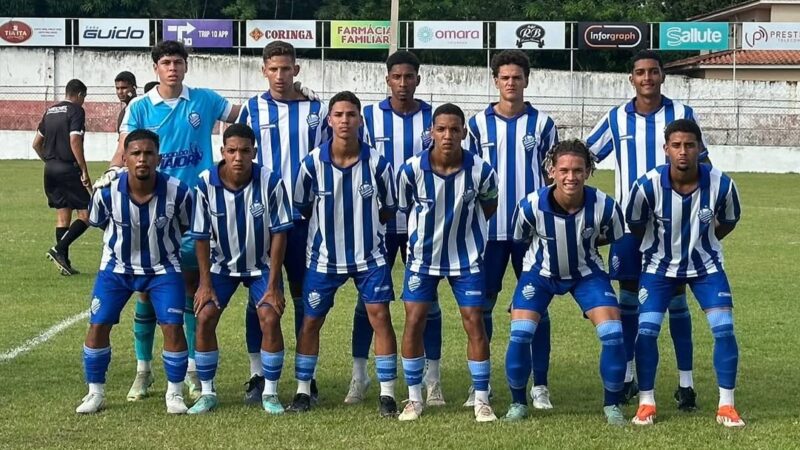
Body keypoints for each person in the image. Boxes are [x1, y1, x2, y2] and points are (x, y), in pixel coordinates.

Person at [94, 40, 241, 402]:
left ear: (186, 67)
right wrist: (114, 170)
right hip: (151, 209)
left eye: (177, 62)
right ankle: (143, 371)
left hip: (193, 209)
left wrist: (296, 92)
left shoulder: (204, 100)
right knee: (144, 292)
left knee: (188, 291)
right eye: (165, 62)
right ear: (156, 68)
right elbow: (127, 145)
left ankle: (190, 370)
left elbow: (244, 113)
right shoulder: (140, 106)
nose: (172, 68)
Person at [586, 50, 708, 408]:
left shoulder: (682, 114)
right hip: (629, 227)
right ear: (632, 78)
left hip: (674, 228)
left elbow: (702, 162)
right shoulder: (616, 118)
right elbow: (586, 156)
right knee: (628, 300)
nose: (647, 78)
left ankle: (686, 385)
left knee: (676, 301)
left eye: (653, 72)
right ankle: (626, 377)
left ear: (662, 76)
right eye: (640, 73)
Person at [286, 91, 399, 417]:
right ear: (330, 120)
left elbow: (388, 210)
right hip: (323, 258)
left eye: (351, 114)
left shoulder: (378, 163)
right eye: (338, 115)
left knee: (381, 318)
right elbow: (303, 208)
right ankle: (303, 391)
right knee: (311, 322)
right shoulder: (311, 164)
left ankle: (387, 394)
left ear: (360, 120)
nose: (345, 120)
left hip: (369, 257)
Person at [627, 119, 743, 427]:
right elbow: (636, 225)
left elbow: (729, 220)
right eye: (676, 145)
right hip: (658, 269)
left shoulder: (723, 184)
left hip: (706, 267)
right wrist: (659, 249)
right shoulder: (646, 185)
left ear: (700, 148)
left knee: (724, 328)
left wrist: (703, 242)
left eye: (690, 145)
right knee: (648, 330)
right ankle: (647, 402)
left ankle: (727, 405)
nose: (683, 152)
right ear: (666, 149)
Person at [502, 139, 627, 425]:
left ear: (588, 172)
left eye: (578, 170)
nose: (571, 177)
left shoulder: (605, 205)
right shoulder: (530, 206)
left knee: (613, 333)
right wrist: (523, 287)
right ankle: (518, 403)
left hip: (587, 274)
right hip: (540, 274)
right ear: (552, 172)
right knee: (521, 332)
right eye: (564, 170)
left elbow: (616, 237)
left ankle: (612, 406)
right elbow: (520, 242)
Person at [349, 50, 443, 406]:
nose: (403, 83)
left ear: (418, 79)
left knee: (427, 302)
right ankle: (360, 375)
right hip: (380, 222)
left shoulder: (435, 119)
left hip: (425, 225)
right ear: (386, 79)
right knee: (367, 302)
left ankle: (432, 379)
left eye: (409, 77)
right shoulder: (369, 117)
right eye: (396, 77)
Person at [237, 40, 328, 404]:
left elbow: (328, 160)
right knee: (258, 299)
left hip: (305, 220)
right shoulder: (251, 109)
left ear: (296, 70)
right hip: (261, 221)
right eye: (273, 69)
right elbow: (236, 158)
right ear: (263, 70)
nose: (279, 75)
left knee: (306, 299)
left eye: (286, 68)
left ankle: (307, 377)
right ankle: (258, 373)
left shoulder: (316, 112)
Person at [76, 129, 192, 414]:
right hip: (116, 269)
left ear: (159, 158)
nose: (142, 159)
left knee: (172, 326)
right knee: (98, 324)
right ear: (125, 159)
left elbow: (186, 225)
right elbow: (97, 222)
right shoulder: (107, 192)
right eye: (136, 154)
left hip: (163, 269)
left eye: (148, 153)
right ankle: (95, 392)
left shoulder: (178, 192)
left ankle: (175, 394)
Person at [466, 49, 558, 408]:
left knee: (538, 308)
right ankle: (481, 385)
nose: (510, 83)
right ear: (495, 81)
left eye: (516, 77)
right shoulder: (475, 125)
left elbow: (554, 178)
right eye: (504, 77)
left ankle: (540, 386)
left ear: (526, 80)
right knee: (481, 308)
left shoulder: (544, 125)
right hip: (487, 232)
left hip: (532, 234)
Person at [396, 103, 499, 422]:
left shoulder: (482, 170)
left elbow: (489, 205)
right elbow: (405, 207)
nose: (448, 135)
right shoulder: (411, 170)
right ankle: (414, 398)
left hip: (466, 258)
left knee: (474, 321)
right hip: (422, 259)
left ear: (464, 133)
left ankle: (481, 399)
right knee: (414, 320)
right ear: (431, 132)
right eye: (441, 129)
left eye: (455, 129)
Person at [187, 124, 293, 415]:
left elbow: (280, 233)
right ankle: (207, 392)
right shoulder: (205, 182)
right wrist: (205, 284)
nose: (238, 157)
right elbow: (200, 235)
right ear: (222, 152)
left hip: (261, 265)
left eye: (245, 151)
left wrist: (273, 286)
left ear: (254, 153)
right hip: (221, 265)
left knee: (269, 317)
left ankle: (270, 392)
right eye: (231, 150)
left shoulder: (270, 181)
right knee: (205, 314)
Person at [33, 79, 91, 276]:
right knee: (87, 215)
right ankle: (59, 249)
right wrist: (83, 169)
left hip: (50, 169)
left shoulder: (50, 111)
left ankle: (64, 262)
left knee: (62, 216)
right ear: (80, 95)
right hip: (68, 168)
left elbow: (36, 143)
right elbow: (75, 140)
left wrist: (49, 162)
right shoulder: (76, 110)